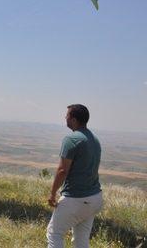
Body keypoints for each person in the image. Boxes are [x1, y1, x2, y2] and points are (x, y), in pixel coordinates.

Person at [47, 104, 103, 248]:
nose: (65, 117)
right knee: (81, 240)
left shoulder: (71, 139)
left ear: (74, 119)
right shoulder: (94, 139)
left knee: (54, 234)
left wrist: (52, 194)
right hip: (95, 198)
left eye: (67, 115)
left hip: (76, 198)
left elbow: (62, 171)